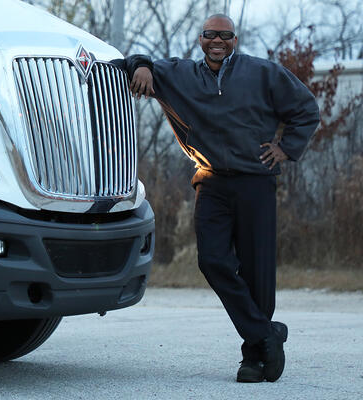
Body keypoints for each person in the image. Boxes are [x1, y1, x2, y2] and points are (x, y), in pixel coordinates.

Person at [113, 14, 320, 383]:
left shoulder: (263, 73)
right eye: (211, 35)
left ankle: (255, 358)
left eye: (225, 35)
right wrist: (142, 66)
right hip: (210, 182)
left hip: (255, 181)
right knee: (212, 260)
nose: (218, 41)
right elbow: (129, 62)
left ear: (235, 39)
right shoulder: (180, 75)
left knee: (257, 272)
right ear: (200, 39)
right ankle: (267, 333)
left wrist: (286, 148)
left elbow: (306, 108)